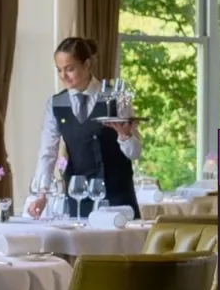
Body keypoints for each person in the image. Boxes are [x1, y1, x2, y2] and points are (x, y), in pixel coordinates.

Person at [28, 37, 142, 219]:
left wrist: (126, 137)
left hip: (118, 198)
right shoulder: (56, 104)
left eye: (70, 69)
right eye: (59, 70)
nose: (63, 76)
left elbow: (135, 153)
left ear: (87, 64)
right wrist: (42, 194)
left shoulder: (117, 98)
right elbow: (47, 152)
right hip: (79, 198)